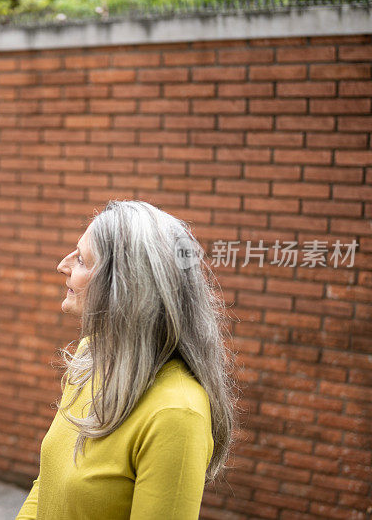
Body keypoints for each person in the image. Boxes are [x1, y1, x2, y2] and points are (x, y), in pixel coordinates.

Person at [17, 200, 235, 519]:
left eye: (81, 259)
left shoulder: (176, 414)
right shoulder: (92, 355)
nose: (63, 265)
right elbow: (47, 483)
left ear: (125, 285)